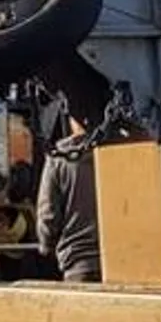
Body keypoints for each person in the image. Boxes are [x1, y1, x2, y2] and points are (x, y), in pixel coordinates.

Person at [36, 108, 101, 283]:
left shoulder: (59, 157)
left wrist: (45, 246)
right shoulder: (125, 151)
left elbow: (48, 215)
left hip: (79, 264)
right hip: (124, 264)